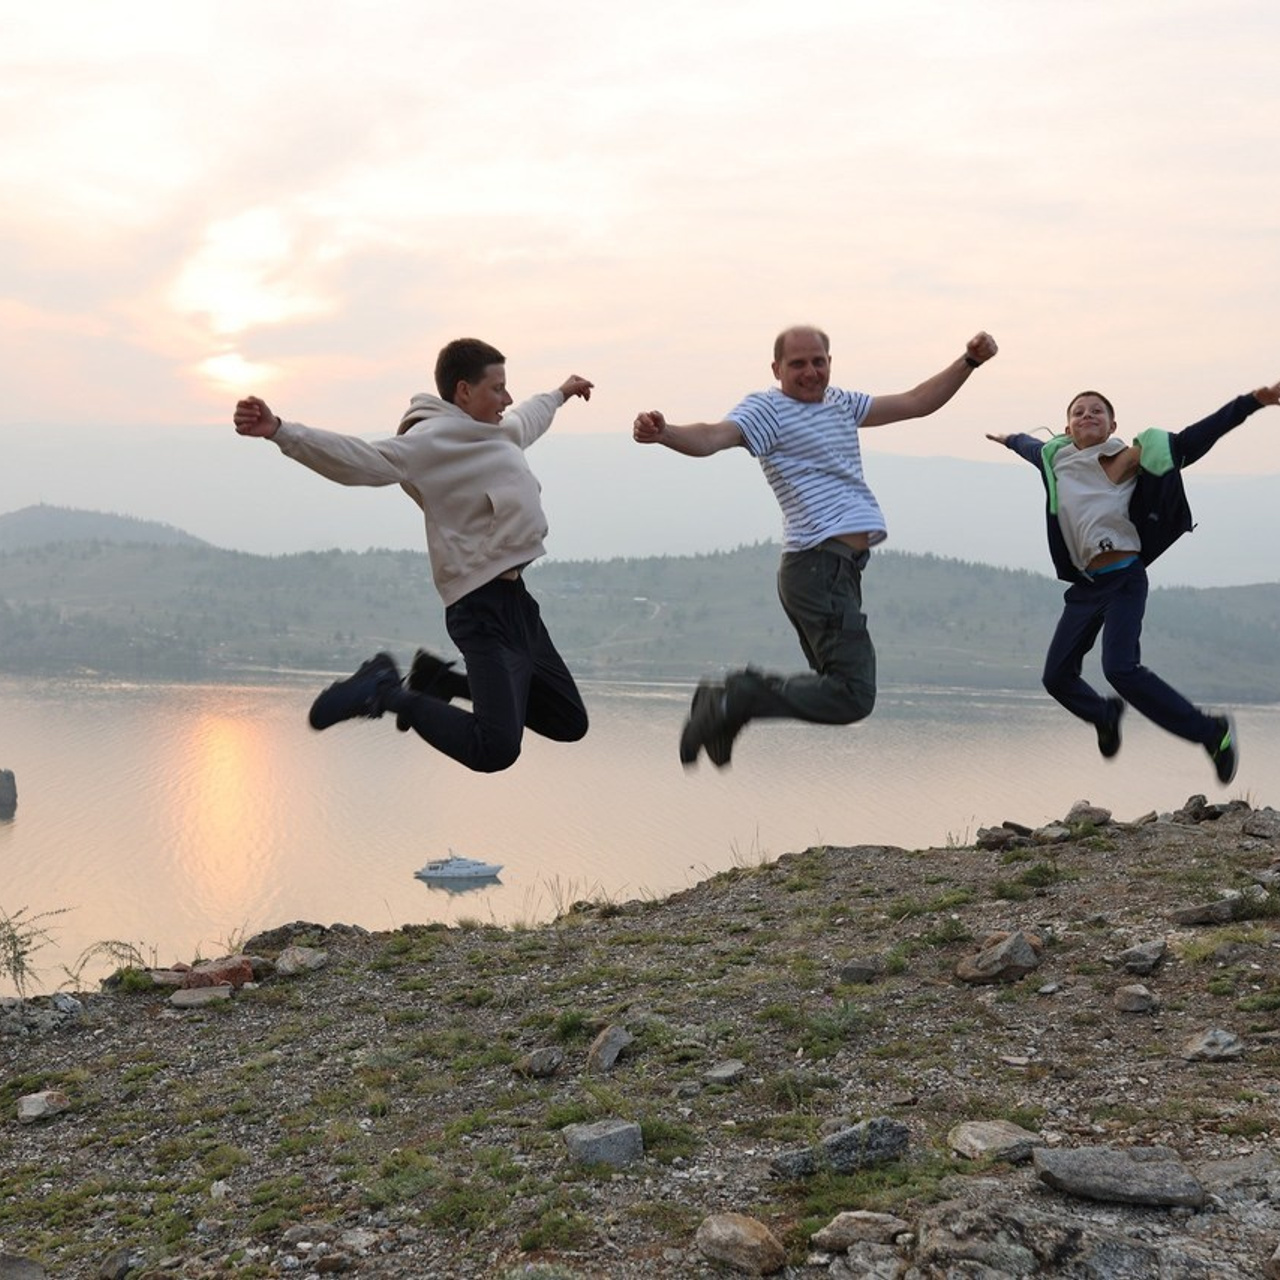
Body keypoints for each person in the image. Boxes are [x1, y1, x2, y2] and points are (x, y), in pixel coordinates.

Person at [632, 324, 999, 767]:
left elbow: (916, 403)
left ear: (830, 362)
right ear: (777, 368)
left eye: (818, 361)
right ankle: (738, 698)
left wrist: (970, 362)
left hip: (836, 570)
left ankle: (727, 713)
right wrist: (665, 432)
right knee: (852, 695)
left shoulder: (841, 403)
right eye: (798, 363)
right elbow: (712, 436)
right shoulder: (767, 409)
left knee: (835, 685)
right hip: (817, 568)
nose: (810, 372)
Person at [233, 338, 593, 773]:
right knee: (495, 749)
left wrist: (560, 393)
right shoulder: (430, 442)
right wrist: (281, 431)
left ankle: (438, 680)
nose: (507, 398)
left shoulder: (499, 432)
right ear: (464, 391)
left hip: (517, 604)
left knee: (569, 721)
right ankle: (383, 689)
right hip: (480, 608)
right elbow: (360, 459)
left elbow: (528, 416)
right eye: (497, 388)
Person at [987, 378, 1280, 784]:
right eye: (1078, 411)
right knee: (1056, 677)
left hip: (1124, 578)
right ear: (1068, 429)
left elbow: (1194, 439)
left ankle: (1212, 732)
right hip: (1087, 587)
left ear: (1111, 425)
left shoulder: (1128, 458)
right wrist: (1007, 438)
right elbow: (1026, 445)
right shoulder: (1055, 459)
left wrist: (1253, 401)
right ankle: (1104, 714)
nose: (1087, 414)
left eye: (1097, 410)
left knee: (1120, 669)